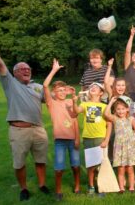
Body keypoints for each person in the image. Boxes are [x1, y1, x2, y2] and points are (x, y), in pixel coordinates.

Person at [0, 35, 50, 201]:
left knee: (41, 160)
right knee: (19, 163)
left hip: (39, 130)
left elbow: (51, 100)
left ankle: (42, 185)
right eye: (22, 69)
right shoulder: (10, 84)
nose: (26, 70)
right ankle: (24, 188)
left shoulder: (38, 87)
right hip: (19, 130)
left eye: (28, 69)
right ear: (14, 73)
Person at [43, 59, 80, 201]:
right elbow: (45, 85)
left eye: (64, 90)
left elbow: (75, 120)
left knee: (76, 166)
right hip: (59, 141)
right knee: (59, 169)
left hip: (72, 139)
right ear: (54, 92)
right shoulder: (51, 103)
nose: (62, 92)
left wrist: (77, 138)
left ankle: (77, 187)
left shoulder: (70, 102)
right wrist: (54, 70)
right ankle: (58, 190)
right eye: (59, 90)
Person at [71, 82, 112, 196]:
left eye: (96, 88)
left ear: (101, 93)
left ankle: (101, 186)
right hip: (88, 138)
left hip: (101, 138)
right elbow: (77, 111)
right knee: (91, 165)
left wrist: (106, 140)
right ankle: (91, 186)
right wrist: (74, 101)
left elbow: (109, 124)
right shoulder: (85, 104)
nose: (92, 88)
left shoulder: (104, 106)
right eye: (91, 88)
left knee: (100, 164)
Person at [104, 95, 135, 193]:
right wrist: (110, 103)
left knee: (130, 168)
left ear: (127, 109)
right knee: (121, 169)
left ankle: (131, 187)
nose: (121, 111)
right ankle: (121, 188)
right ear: (115, 110)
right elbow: (106, 114)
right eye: (118, 109)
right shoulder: (115, 119)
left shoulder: (131, 119)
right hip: (119, 147)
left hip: (130, 146)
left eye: (123, 109)